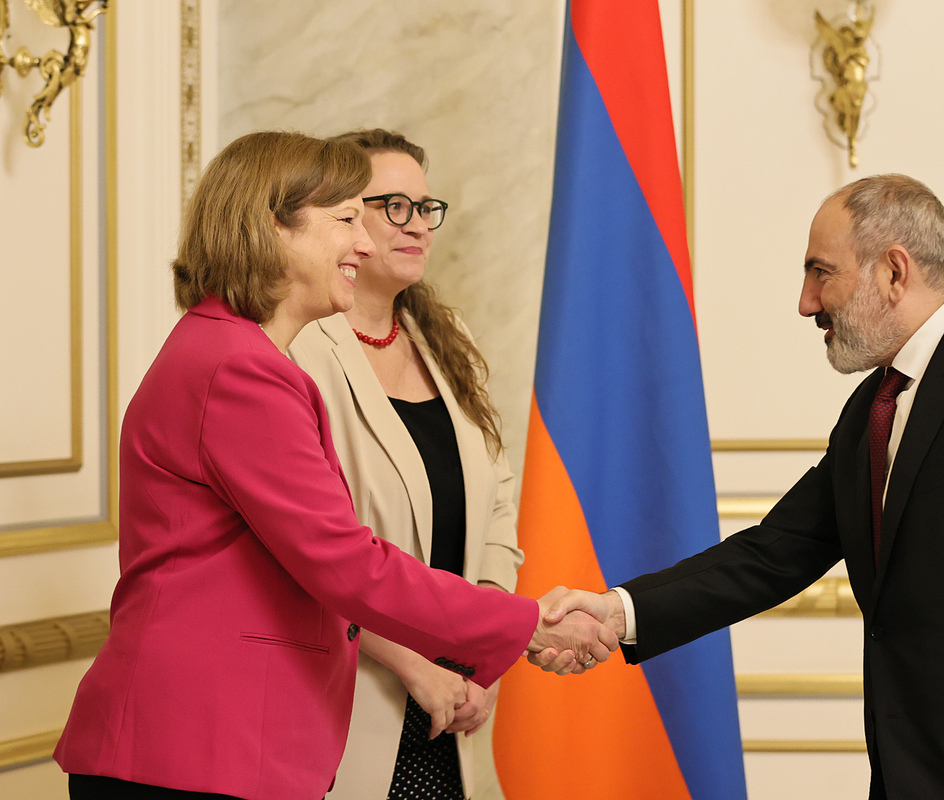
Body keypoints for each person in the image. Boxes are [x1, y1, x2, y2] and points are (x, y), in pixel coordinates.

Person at [542, 174, 944, 800]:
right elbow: (773, 553)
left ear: (894, 271)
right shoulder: (872, 409)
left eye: (821, 273)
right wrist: (618, 612)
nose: (806, 302)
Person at [53, 131, 615, 800]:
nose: (365, 244)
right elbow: (347, 563)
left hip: (220, 743)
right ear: (273, 227)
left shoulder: (235, 353)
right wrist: (526, 624)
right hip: (192, 745)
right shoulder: (240, 370)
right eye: (346, 219)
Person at [289, 128, 517, 800]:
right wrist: (416, 665)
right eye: (394, 206)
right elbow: (304, 553)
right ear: (340, 218)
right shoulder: (300, 349)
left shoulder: (446, 338)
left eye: (425, 207)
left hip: (457, 696)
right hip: (354, 694)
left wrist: (487, 644)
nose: (418, 224)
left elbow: (498, 499)